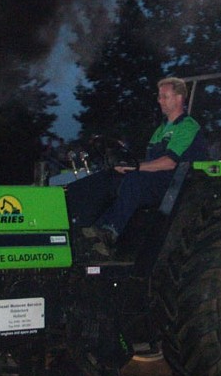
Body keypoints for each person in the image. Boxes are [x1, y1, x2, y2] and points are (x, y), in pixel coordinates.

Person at [82, 76, 208, 256]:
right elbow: (149, 161)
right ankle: (94, 229)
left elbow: (170, 162)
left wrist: (136, 168)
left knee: (135, 179)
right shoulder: (161, 129)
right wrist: (126, 165)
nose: (160, 101)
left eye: (165, 96)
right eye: (159, 97)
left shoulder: (187, 126)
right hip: (158, 180)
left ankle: (111, 231)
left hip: (178, 184)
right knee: (111, 179)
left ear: (179, 98)